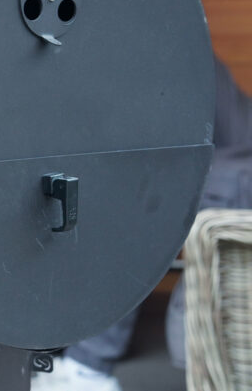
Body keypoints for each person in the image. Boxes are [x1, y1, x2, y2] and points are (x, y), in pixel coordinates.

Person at [33, 57, 252, 391]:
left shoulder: (169, 62)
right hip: (224, 159)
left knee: (137, 200)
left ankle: (88, 368)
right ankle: (83, 359)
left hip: (228, 171)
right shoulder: (186, 55)